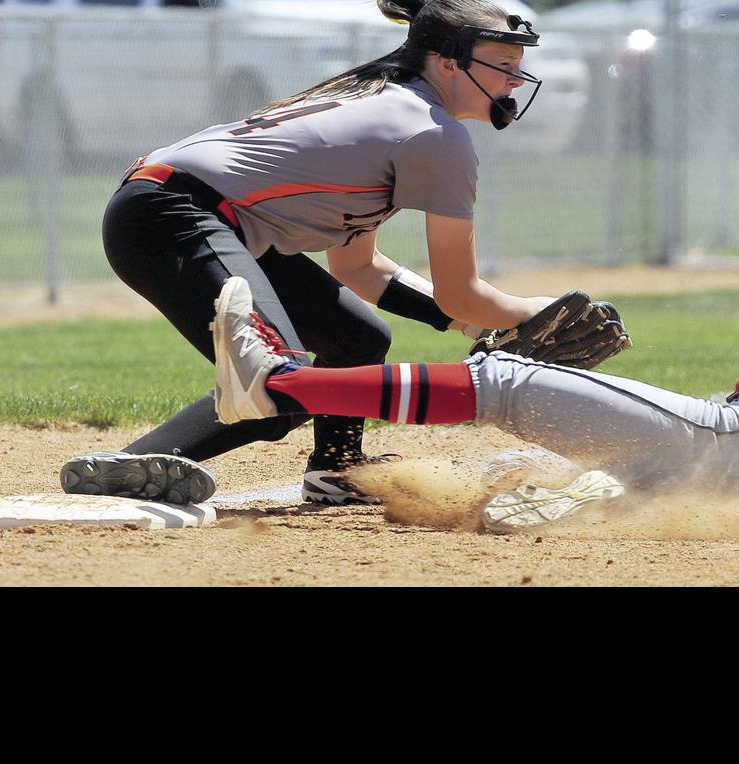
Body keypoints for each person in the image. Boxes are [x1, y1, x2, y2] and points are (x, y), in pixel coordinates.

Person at [203, 98, 739, 531]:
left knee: (506, 377)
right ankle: (594, 495)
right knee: (514, 481)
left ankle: (278, 383)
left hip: (731, 445)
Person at [58, 0, 605, 507]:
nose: (516, 79)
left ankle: (337, 470)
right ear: (447, 64)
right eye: (503, 63)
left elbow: (358, 268)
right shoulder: (432, 133)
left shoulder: (397, 107)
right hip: (172, 217)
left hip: (185, 212)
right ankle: (125, 467)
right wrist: (529, 313)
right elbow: (461, 292)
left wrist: (471, 325)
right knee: (276, 383)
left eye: (519, 65)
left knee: (357, 338)